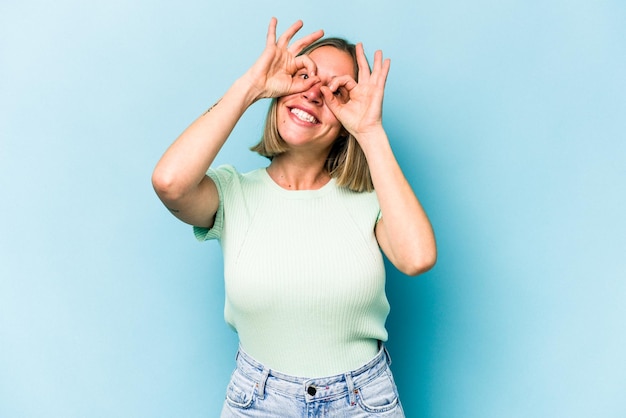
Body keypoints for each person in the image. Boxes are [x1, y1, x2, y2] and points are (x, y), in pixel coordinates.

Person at [152, 17, 436, 418]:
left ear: (343, 126)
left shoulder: (372, 200)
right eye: (304, 76)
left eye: (337, 91)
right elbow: (169, 183)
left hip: (362, 401)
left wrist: (370, 131)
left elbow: (417, 257)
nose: (315, 94)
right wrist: (251, 86)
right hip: (258, 402)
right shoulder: (233, 193)